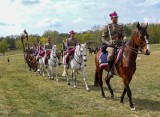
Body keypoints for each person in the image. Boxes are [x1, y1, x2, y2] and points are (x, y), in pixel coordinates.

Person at [101, 11, 126, 77]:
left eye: (117, 17)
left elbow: (124, 35)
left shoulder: (120, 27)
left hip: (120, 44)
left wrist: (125, 38)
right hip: (111, 45)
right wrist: (108, 43)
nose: (117, 19)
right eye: (115, 18)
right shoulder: (107, 27)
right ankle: (110, 71)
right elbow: (103, 38)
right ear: (111, 18)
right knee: (111, 54)